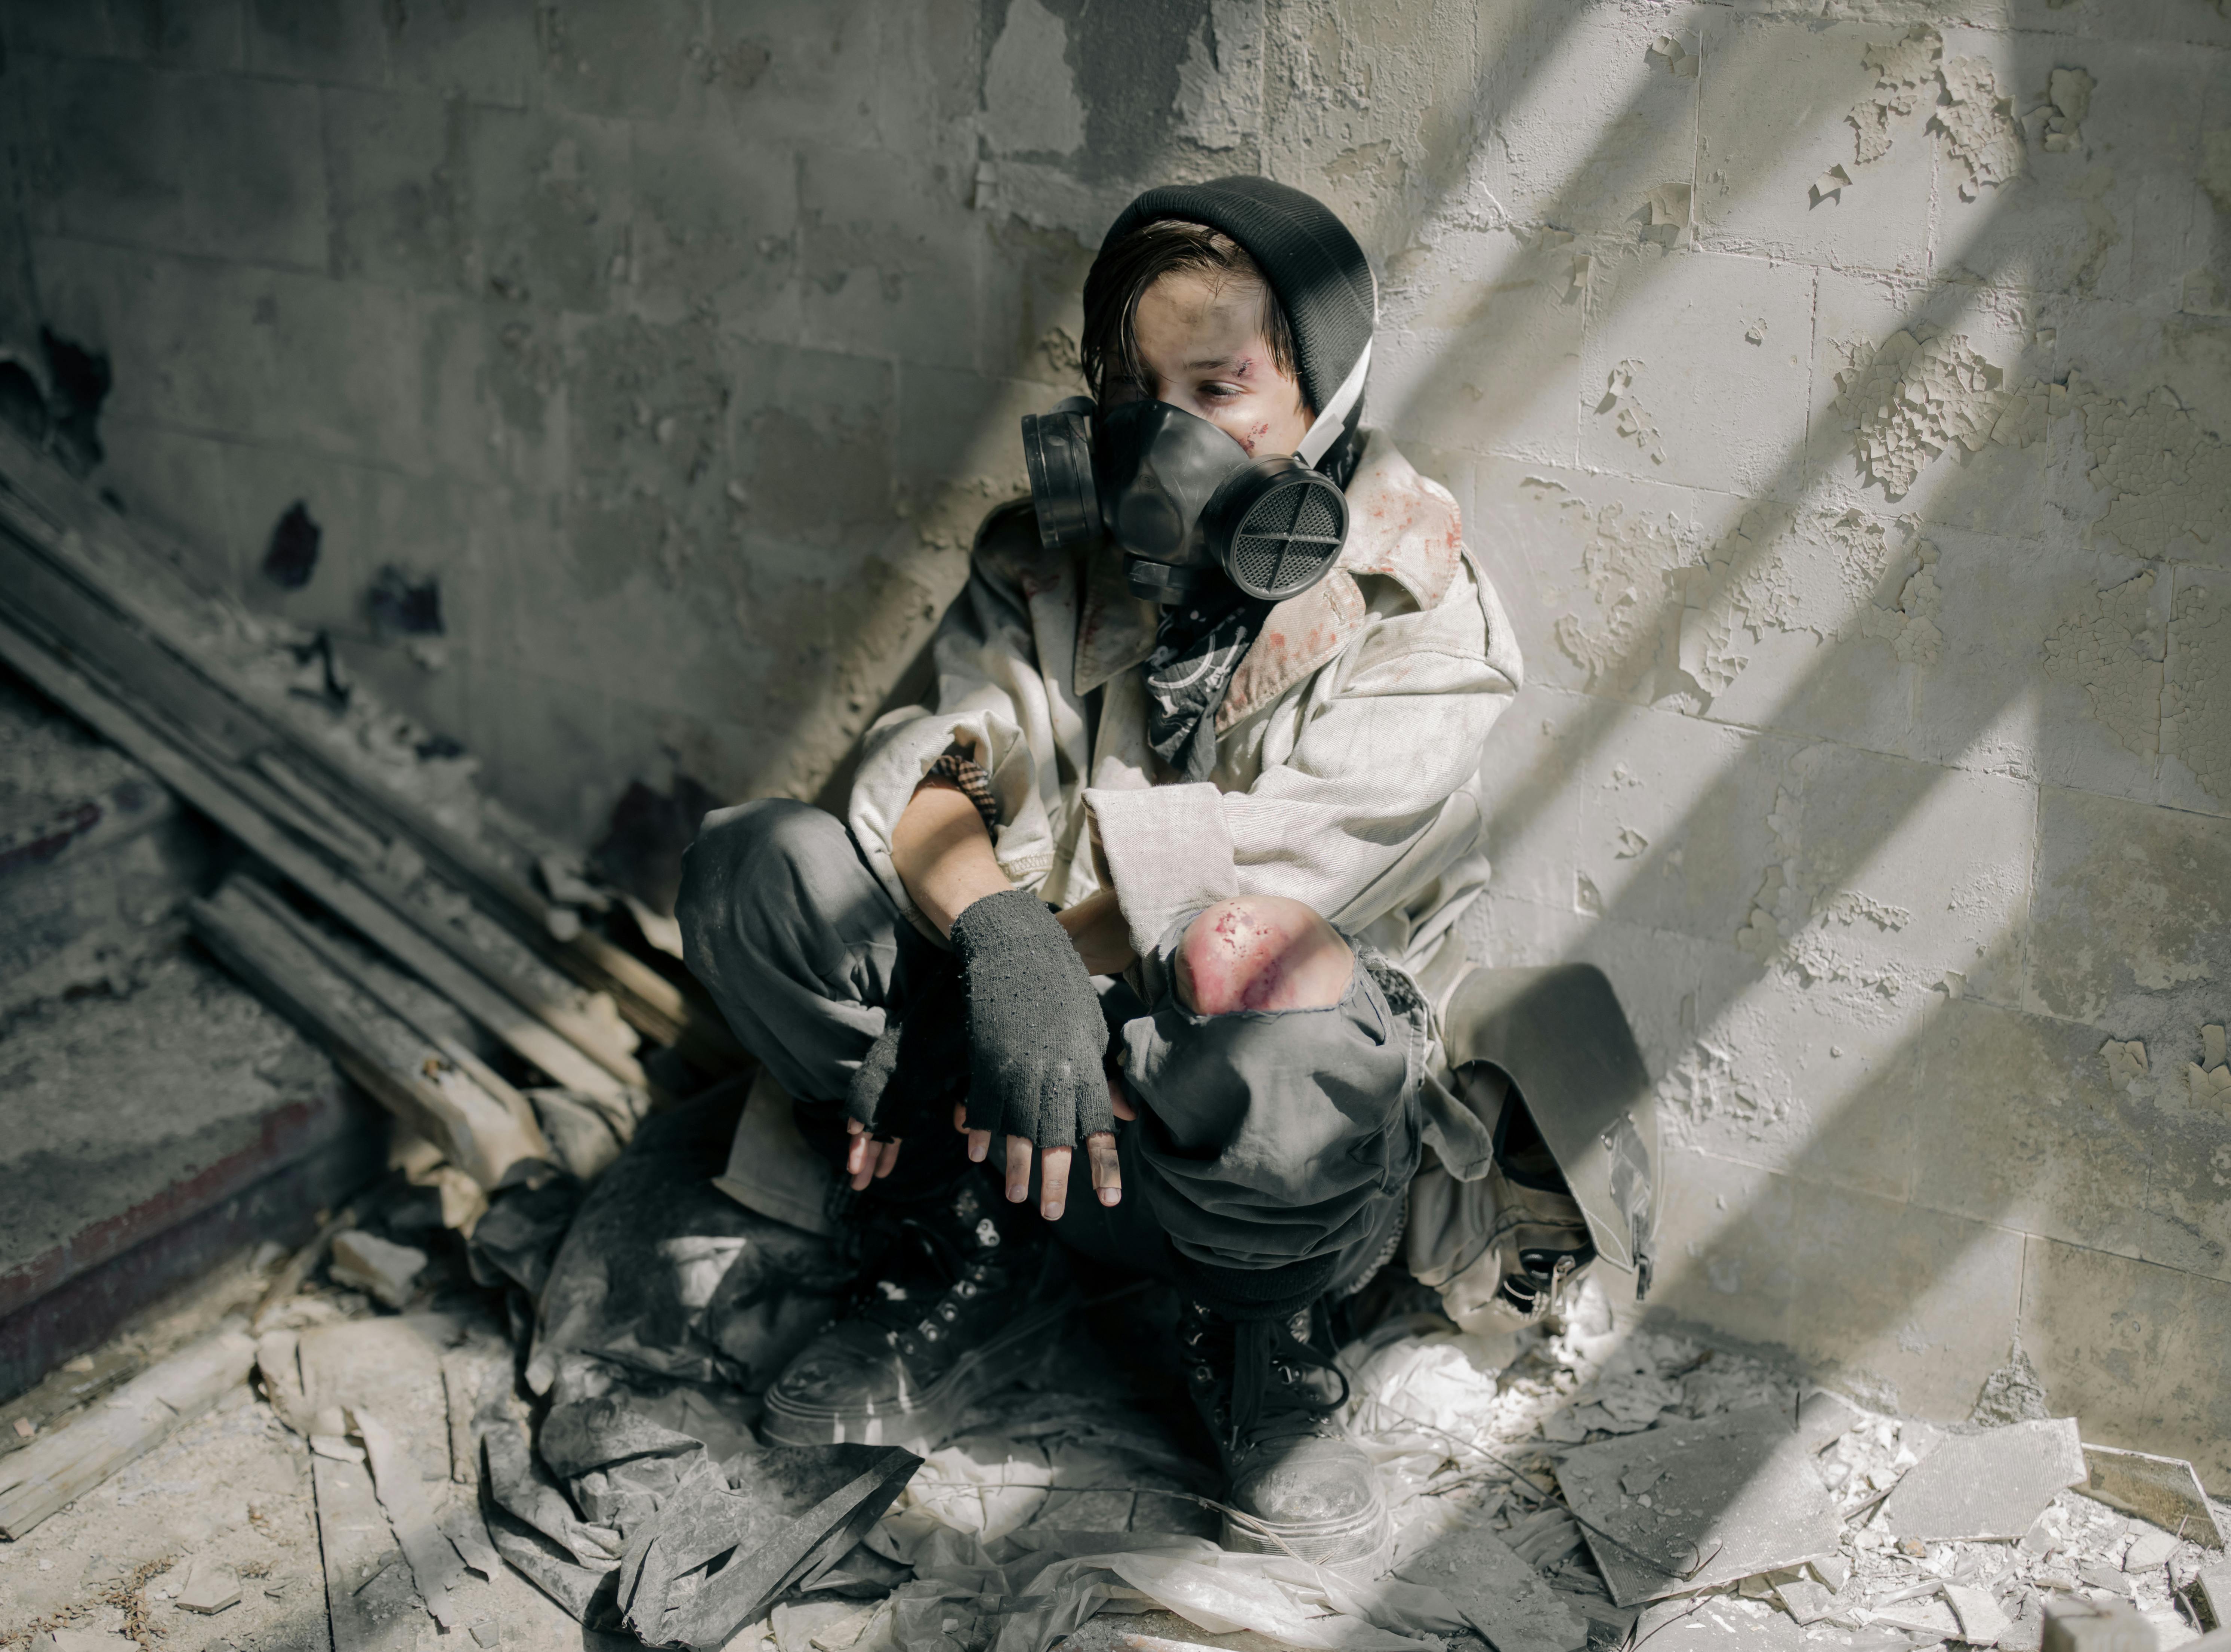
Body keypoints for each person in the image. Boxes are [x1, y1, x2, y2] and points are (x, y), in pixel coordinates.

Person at [676, 176, 1580, 1571]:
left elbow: (1234, 913)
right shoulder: (1058, 560)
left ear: (1323, 393)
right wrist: (988, 942)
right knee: (763, 869)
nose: (1169, 438)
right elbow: (929, 773)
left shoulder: (1430, 620)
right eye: (1137, 388)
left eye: (1220, 387)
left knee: (1244, 971)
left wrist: (1005, 998)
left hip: (1242, 1134)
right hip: (1014, 1098)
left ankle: (1261, 1340)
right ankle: (957, 1243)